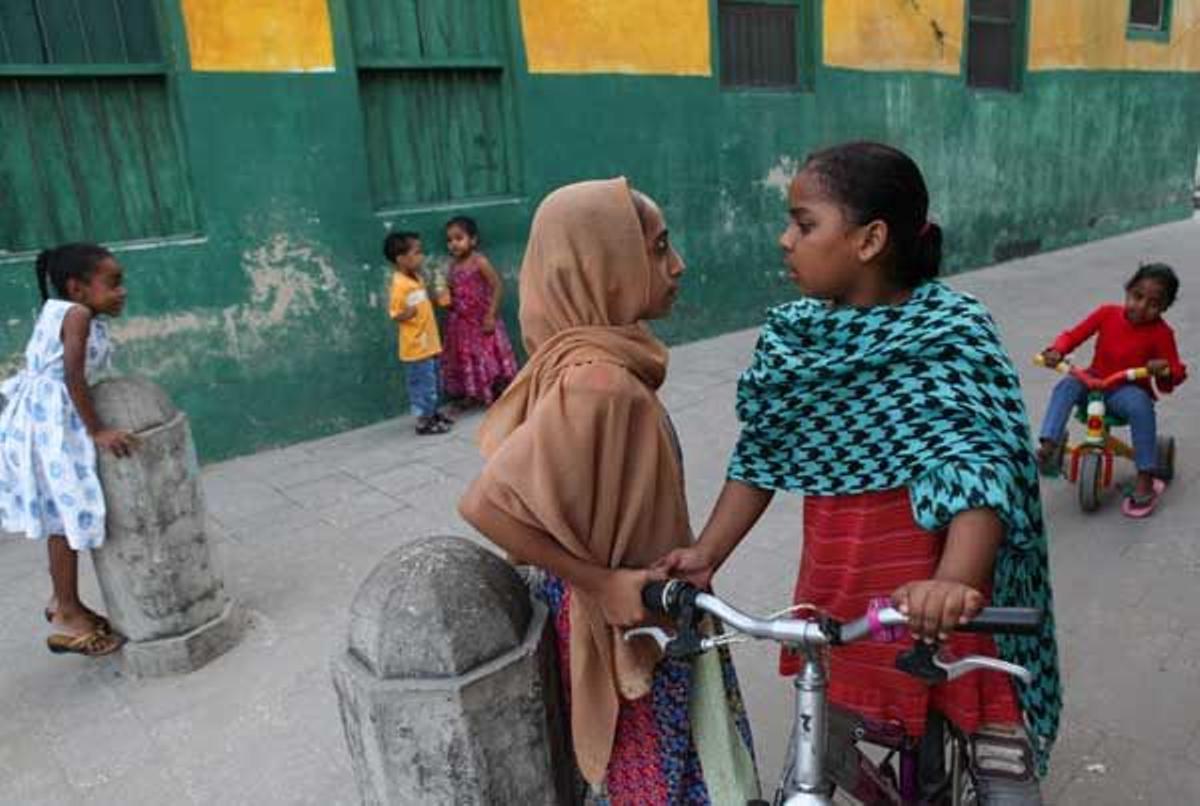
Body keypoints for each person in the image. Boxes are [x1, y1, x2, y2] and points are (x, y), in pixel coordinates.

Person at [656, 142, 1060, 803]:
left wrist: (954, 583)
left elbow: (978, 473)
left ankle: (997, 742)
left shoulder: (951, 332)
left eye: (804, 223)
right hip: (840, 592)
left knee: (1000, 767)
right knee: (821, 755)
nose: (786, 241)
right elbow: (761, 456)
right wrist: (705, 555)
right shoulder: (794, 339)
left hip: (938, 601)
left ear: (870, 239)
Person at [459, 179, 759, 804]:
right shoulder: (599, 380)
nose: (677, 265)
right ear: (603, 264)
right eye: (657, 248)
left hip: (648, 608)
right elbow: (484, 504)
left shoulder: (586, 361)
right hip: (634, 621)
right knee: (666, 778)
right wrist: (600, 582)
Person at [0, 243, 134, 657]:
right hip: (54, 426)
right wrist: (97, 431)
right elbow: (73, 378)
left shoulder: (66, 310)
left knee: (62, 517)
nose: (122, 292)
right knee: (66, 517)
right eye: (112, 284)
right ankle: (66, 614)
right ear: (77, 288)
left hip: (44, 420)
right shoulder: (76, 315)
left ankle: (64, 601)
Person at [1035, 263, 1186, 517]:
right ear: (1128, 291)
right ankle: (1049, 444)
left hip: (1126, 389)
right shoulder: (1106, 314)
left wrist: (1164, 369)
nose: (1141, 307)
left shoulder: (1162, 333)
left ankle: (1145, 474)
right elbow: (1073, 335)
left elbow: (1175, 368)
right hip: (1094, 380)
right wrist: (1057, 350)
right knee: (1067, 385)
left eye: (1153, 304)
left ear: (1164, 308)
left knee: (1141, 406)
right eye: (1137, 297)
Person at [441, 216, 519, 410]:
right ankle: (473, 394)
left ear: (473, 240)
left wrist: (491, 315)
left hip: (482, 319)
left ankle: (496, 391)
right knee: (468, 358)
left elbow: (497, 286)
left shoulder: (480, 262)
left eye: (459, 238)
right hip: (462, 323)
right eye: (449, 240)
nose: (453, 244)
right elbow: (452, 290)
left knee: (489, 356)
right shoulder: (453, 266)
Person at [385, 231, 452, 436]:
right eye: (417, 252)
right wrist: (408, 313)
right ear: (401, 259)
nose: (421, 256)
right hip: (416, 346)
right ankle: (424, 421)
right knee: (422, 384)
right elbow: (395, 314)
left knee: (432, 382)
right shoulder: (399, 285)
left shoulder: (417, 278)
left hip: (429, 342)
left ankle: (432, 413)